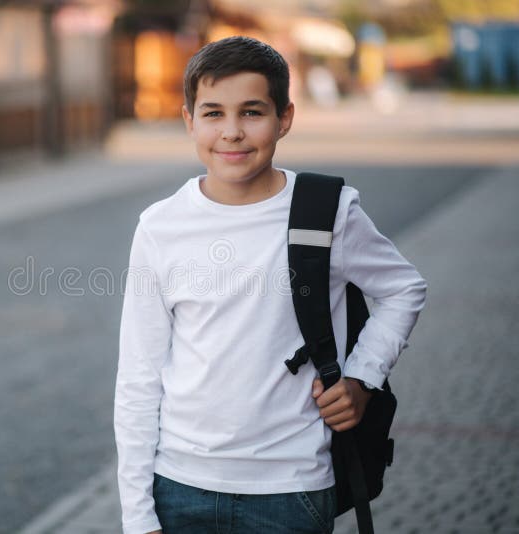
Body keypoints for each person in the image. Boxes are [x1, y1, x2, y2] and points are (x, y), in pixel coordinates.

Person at [113, 36, 426, 534]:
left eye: (252, 112)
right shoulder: (160, 226)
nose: (232, 132)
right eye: (213, 113)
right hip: (178, 486)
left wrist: (363, 379)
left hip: (291, 490)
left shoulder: (328, 211)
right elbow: (138, 376)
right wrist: (137, 515)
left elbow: (403, 289)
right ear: (189, 120)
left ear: (285, 118)